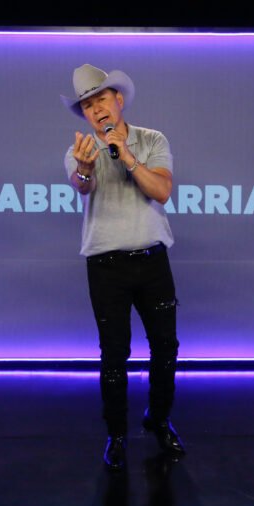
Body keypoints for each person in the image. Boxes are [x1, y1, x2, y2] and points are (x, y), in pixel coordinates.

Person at [61, 63, 185, 471]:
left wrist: (128, 157)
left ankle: (159, 420)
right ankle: (116, 434)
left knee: (165, 348)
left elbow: (161, 191)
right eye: (87, 105)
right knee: (114, 355)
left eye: (101, 100)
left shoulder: (152, 139)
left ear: (118, 99)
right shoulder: (80, 151)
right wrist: (85, 170)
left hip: (152, 261)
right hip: (106, 266)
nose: (96, 109)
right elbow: (83, 185)